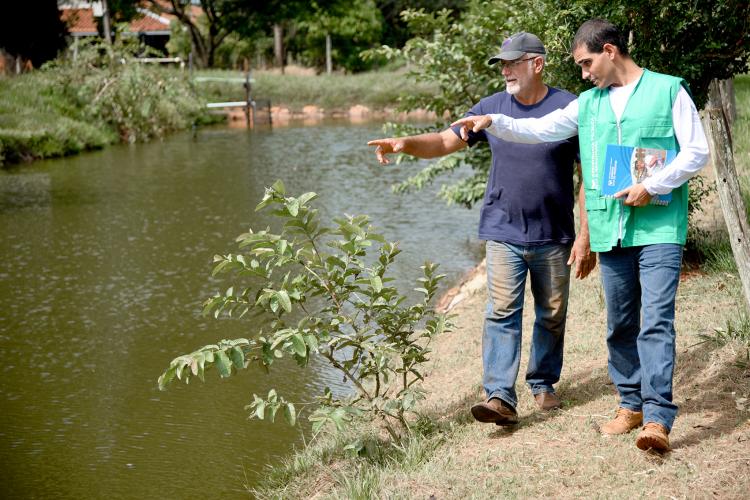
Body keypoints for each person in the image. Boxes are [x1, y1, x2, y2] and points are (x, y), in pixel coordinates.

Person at [452, 19, 709, 452]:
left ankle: (658, 418)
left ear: (609, 51)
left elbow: (697, 151)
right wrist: (492, 119)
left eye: (587, 63)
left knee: (657, 322)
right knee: (620, 325)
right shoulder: (587, 104)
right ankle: (630, 405)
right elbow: (538, 130)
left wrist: (654, 185)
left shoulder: (668, 90)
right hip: (613, 229)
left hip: (660, 226)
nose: (584, 74)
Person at [367, 32, 596, 427]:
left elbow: (588, 175)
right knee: (502, 311)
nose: (505, 70)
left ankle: (543, 382)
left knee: (552, 313)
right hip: (504, 229)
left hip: (554, 232)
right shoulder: (490, 107)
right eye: (502, 64)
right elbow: (442, 141)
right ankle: (499, 397)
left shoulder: (570, 107)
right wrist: (404, 142)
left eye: (512, 62)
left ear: (536, 64)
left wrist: (586, 234)